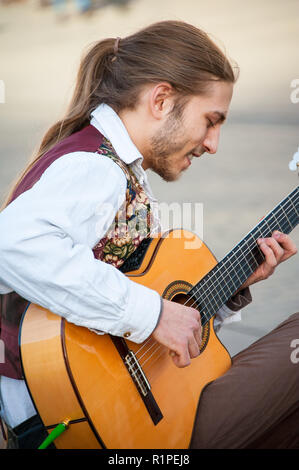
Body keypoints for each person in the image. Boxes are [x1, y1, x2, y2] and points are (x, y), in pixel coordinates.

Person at [0, 20, 298, 449]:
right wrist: (153, 314)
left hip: (117, 413)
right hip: (82, 422)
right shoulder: (96, 167)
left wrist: (233, 286)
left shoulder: (117, 166)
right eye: (210, 121)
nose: (213, 143)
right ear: (161, 100)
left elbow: (145, 297)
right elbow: (15, 243)